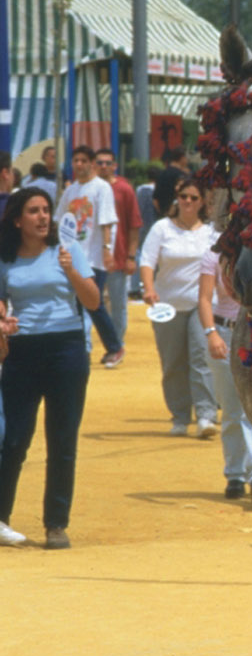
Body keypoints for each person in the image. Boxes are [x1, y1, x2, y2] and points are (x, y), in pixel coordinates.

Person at [0, 187, 101, 549]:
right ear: (17, 219)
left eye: (46, 210)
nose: (43, 217)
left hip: (67, 349)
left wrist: (71, 270)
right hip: (22, 351)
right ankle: (1, 518)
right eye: (33, 211)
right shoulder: (6, 257)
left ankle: (56, 524)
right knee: (13, 439)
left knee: (62, 440)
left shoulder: (68, 250)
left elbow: (92, 300)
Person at [138, 177, 218, 438]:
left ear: (202, 202)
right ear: (177, 198)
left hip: (202, 304)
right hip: (167, 304)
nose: (188, 201)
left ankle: (206, 415)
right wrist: (149, 288)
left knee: (201, 358)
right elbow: (147, 261)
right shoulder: (162, 228)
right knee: (173, 363)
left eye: (194, 198)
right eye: (184, 196)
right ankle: (180, 416)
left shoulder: (211, 231)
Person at [197, 247, 252, 502]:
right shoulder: (214, 255)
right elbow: (204, 298)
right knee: (231, 409)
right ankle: (236, 474)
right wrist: (211, 333)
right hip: (225, 333)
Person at [56, 145, 124, 367]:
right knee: (75, 303)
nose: (79, 165)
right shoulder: (71, 190)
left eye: (84, 160)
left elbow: (106, 221)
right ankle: (81, 347)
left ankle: (114, 347)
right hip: (74, 255)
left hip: (94, 256)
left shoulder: (101, 188)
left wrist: (107, 250)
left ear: (92, 164)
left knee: (94, 304)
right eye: (76, 160)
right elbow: (60, 220)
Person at [94, 148, 142, 353]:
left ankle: (116, 345)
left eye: (108, 163)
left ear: (115, 166)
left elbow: (133, 225)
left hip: (118, 255)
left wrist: (131, 256)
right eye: (100, 163)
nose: (104, 167)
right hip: (91, 257)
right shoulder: (88, 188)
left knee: (118, 304)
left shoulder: (124, 190)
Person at [151, 145, 190, 221]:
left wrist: (162, 213)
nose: (188, 160)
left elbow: (155, 199)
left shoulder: (162, 173)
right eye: (186, 157)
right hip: (179, 218)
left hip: (163, 216)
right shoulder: (183, 176)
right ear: (182, 158)